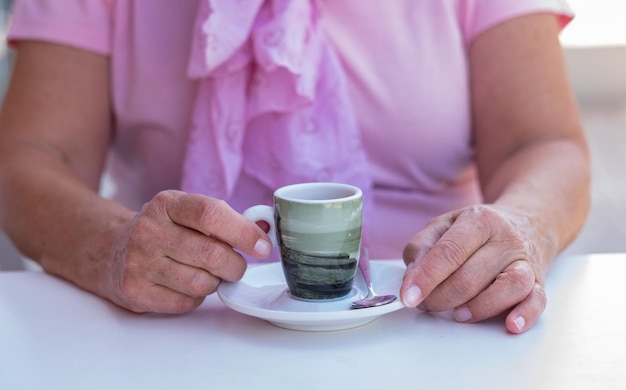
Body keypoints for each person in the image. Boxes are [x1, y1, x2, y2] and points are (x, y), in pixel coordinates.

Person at [0, 0, 590, 334]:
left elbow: (544, 144)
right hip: (176, 331)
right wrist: (108, 243)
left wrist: (518, 228)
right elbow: (27, 159)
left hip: (430, 323)